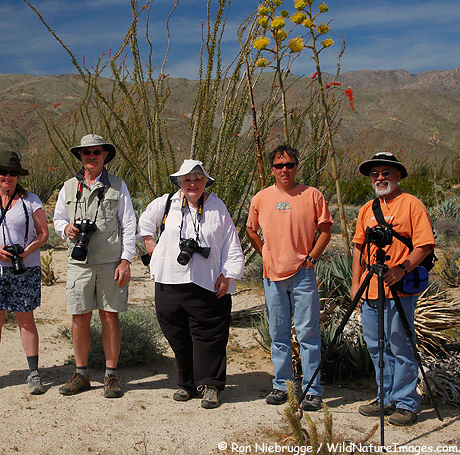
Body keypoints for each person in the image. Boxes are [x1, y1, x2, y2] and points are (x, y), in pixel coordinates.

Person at [138, 159, 244, 409]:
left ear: (206, 181)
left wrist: (228, 273)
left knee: (210, 336)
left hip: (207, 282)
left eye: (198, 178)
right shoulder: (166, 203)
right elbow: (143, 222)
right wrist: (150, 244)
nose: (193, 183)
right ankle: (187, 383)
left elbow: (231, 243)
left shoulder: (217, 207)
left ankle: (210, 386)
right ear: (180, 182)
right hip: (169, 280)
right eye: (187, 179)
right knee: (177, 334)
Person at [246, 144, 332, 411]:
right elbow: (250, 230)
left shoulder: (312, 195)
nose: (285, 170)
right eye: (279, 165)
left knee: (308, 333)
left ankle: (312, 389)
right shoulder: (261, 198)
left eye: (290, 165)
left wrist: (312, 258)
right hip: (272, 276)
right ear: (272, 169)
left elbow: (326, 230)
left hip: (302, 275)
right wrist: (266, 254)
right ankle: (281, 385)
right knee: (278, 334)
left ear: (296, 167)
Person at [352, 152, 435, 426]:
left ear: (398, 175)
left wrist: (402, 268)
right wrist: (355, 284)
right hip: (371, 289)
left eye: (386, 173)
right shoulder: (366, 209)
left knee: (400, 346)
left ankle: (406, 402)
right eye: (375, 174)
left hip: (399, 289)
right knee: (376, 346)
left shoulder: (412, 205)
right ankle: (384, 396)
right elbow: (358, 248)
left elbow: (425, 244)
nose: (380, 178)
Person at [53, 134, 136, 398]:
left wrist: (126, 260)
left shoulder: (118, 186)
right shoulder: (68, 187)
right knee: (80, 317)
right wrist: (65, 228)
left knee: (110, 316)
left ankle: (111, 376)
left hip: (110, 261)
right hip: (79, 262)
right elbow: (57, 218)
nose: (91, 157)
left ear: (105, 155)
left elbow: (129, 224)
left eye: (96, 152)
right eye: (86, 153)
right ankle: (81, 374)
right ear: (80, 156)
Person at [0, 151, 49, 395]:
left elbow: (43, 232)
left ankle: (34, 373)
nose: (8, 177)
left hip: (24, 268)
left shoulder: (31, 200)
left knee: (26, 318)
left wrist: (27, 251)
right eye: (3, 173)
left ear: (18, 176)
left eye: (13, 173)